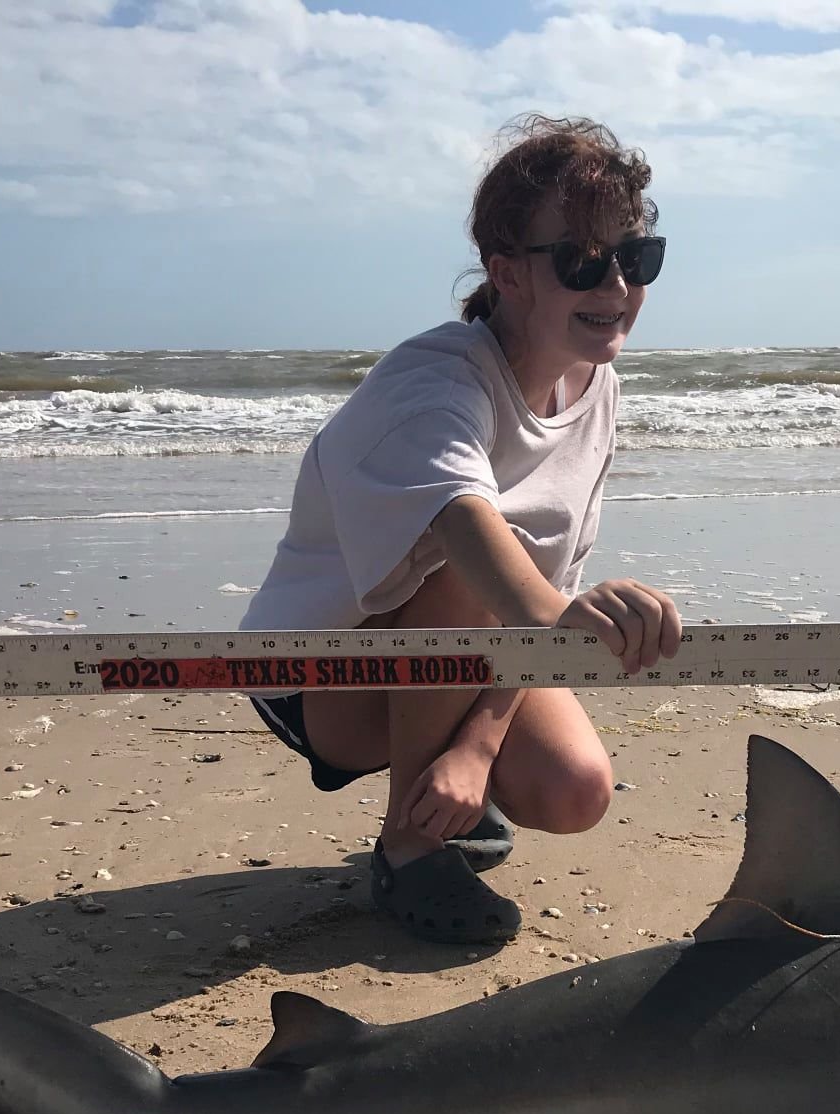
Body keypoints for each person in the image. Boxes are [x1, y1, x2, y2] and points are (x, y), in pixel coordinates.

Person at [240, 115, 680, 947]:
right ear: (507, 274)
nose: (616, 285)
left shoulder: (597, 387)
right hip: (317, 672)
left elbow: (544, 589)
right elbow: (474, 537)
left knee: (575, 791)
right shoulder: (434, 382)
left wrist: (477, 748)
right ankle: (408, 850)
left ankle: (446, 788)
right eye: (585, 260)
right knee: (465, 566)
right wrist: (555, 618)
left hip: (472, 637)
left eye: (636, 256)